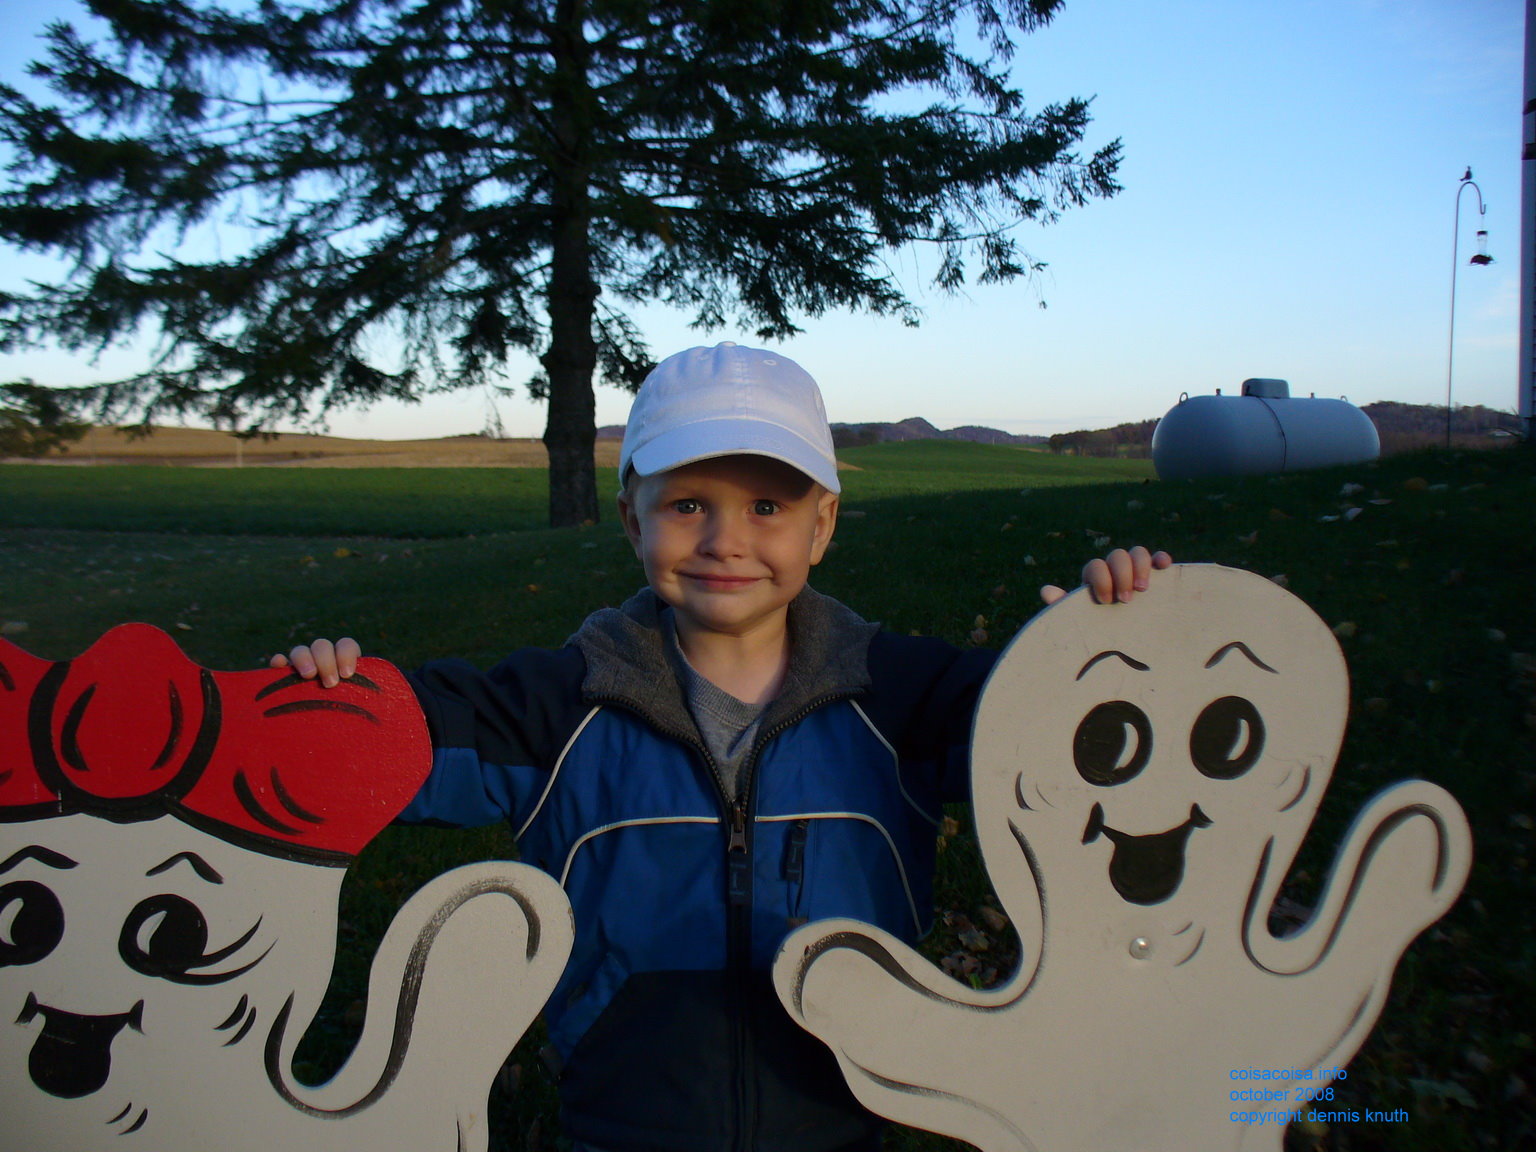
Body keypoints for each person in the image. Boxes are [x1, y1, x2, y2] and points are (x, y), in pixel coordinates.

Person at [275, 342, 1169, 1152]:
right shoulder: (562, 707)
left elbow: (1069, 745)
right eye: (689, 503)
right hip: (629, 1120)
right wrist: (327, 699)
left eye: (768, 505)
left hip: (849, 1115)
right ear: (632, 517)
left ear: (821, 526)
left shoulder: (899, 697)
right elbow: (399, 743)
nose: (725, 540)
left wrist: (1097, 655)